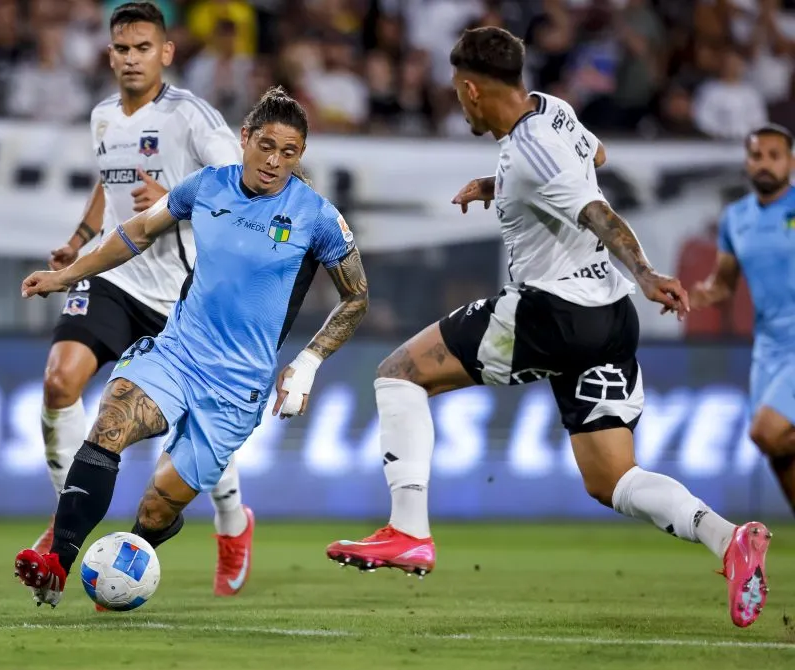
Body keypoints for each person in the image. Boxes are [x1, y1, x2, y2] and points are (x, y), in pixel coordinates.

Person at [325, 27, 771, 629]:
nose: (460, 106)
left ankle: (408, 530)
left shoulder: (532, 150)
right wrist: (502, 186)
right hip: (610, 320)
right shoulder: (554, 112)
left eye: (460, 96)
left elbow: (597, 210)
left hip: (553, 312)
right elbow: (597, 159)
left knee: (398, 375)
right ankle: (729, 539)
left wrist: (643, 270)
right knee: (611, 478)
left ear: (472, 89)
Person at [14, 86, 369, 608]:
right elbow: (136, 231)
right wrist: (68, 274)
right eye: (265, 145)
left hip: (237, 388)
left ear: (301, 155)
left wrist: (308, 364)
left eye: (289, 152)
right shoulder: (206, 186)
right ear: (244, 138)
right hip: (177, 354)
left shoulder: (316, 216)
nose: (274, 161)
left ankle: (131, 558)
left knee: (158, 509)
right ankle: (57, 561)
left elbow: (356, 297)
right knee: (111, 421)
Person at [32, 2, 253, 598]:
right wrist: (79, 241)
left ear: (166, 53)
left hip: (179, 293)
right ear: (110, 55)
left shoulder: (193, 118)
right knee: (60, 382)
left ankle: (233, 521)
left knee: (199, 433)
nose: (131, 59)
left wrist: (178, 194)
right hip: (113, 276)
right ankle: (63, 525)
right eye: (122, 49)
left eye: (142, 48)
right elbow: (111, 187)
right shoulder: (103, 116)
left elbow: (242, 189)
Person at [692, 124, 795, 516]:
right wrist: (701, 293)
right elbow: (724, 284)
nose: (764, 163)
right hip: (767, 349)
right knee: (777, 451)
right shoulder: (735, 218)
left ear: (791, 162)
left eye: (774, 155)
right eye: (756, 155)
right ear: (747, 163)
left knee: (766, 430)